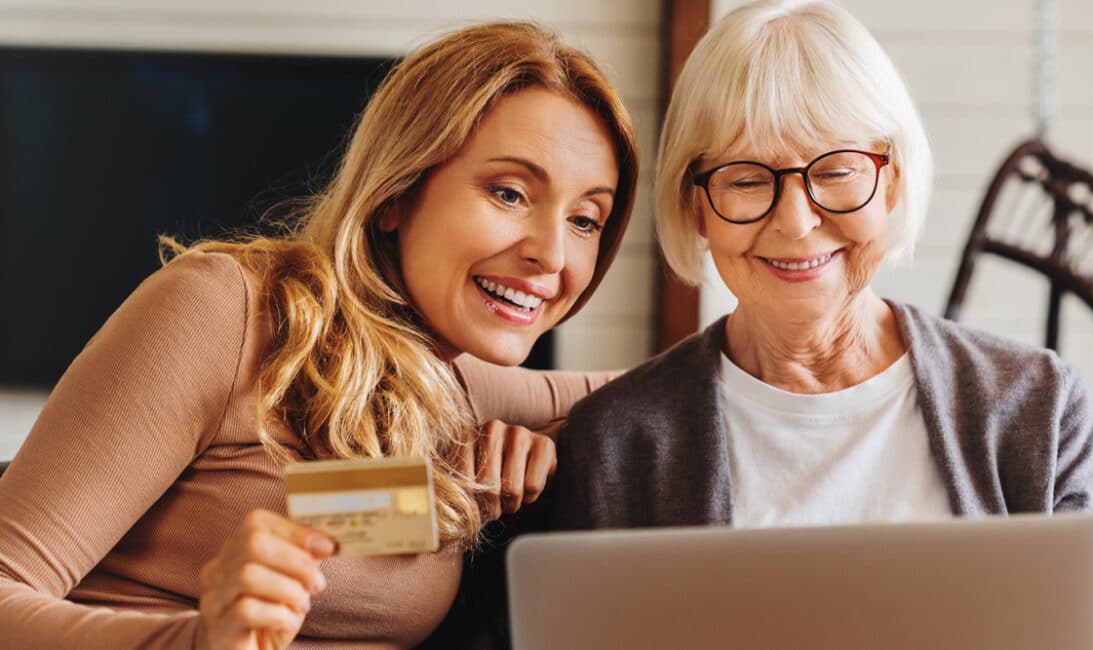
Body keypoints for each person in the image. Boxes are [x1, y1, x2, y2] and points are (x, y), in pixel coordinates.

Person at [0, 21, 637, 649]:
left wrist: (557, 443)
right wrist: (198, 641)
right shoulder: (228, 311)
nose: (553, 255)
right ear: (396, 192)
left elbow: (652, 389)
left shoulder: (449, 385)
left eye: (585, 220)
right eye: (509, 193)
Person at [547, 2, 1093, 648]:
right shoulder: (612, 446)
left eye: (835, 170)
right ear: (698, 207)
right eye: (747, 179)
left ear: (889, 183)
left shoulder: (1042, 410)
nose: (796, 222)